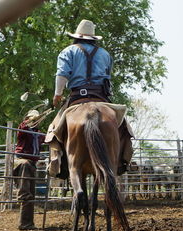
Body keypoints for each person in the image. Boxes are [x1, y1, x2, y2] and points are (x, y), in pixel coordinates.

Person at [46, 19, 133, 179]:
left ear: (76, 37)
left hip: (77, 97)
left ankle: (57, 164)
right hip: (101, 98)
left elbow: (62, 74)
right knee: (126, 130)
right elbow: (108, 77)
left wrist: (57, 95)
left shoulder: (68, 51)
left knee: (53, 131)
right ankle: (122, 162)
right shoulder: (105, 54)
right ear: (93, 38)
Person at [13, 109, 45, 230]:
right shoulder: (24, 129)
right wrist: (31, 120)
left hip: (31, 163)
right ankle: (25, 223)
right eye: (33, 119)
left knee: (31, 193)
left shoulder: (39, 133)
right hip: (23, 161)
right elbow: (23, 126)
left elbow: (48, 138)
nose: (35, 121)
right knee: (26, 193)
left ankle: (27, 223)